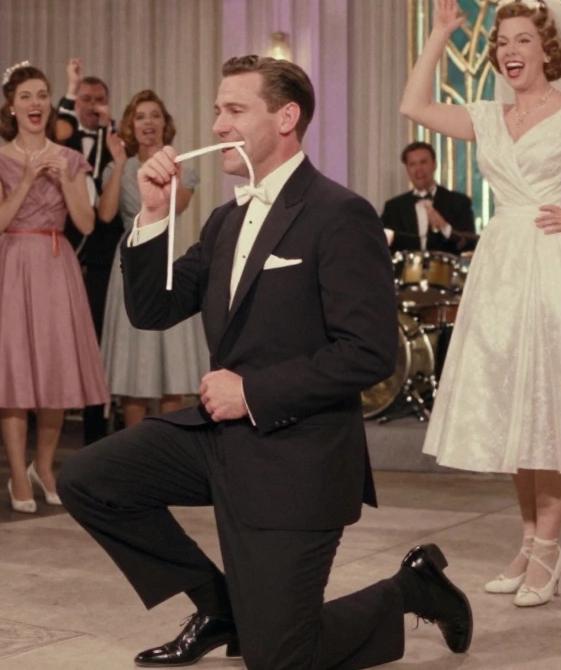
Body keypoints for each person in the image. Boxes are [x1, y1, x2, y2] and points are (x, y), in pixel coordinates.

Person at [59, 55, 472, 670]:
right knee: (87, 478)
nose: (218, 124)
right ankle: (222, 608)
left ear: (286, 117)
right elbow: (152, 308)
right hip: (218, 437)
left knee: (278, 659)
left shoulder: (341, 214)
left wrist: (251, 390)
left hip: (297, 456)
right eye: (217, 110)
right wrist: (151, 214)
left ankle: (411, 589)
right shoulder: (225, 220)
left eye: (234, 110)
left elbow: (370, 352)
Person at [405, 0, 561, 607]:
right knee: (518, 409)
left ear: (547, 50)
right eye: (501, 41)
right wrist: (441, 32)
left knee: (552, 408)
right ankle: (527, 542)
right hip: (500, 270)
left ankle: (548, 548)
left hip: (553, 268)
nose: (509, 51)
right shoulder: (488, 116)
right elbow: (411, 104)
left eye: (522, 40)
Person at [0, 63, 108, 513]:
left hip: (56, 264)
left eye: (42, 95)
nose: (36, 103)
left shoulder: (72, 159)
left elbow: (85, 223)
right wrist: (25, 181)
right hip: (13, 263)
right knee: (16, 373)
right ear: (12, 106)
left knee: (55, 372)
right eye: (26, 96)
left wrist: (62, 176)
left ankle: (43, 466)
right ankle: (14, 474)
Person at [97, 89, 208, 428]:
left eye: (155, 116)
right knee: (135, 362)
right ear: (132, 125)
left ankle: (168, 446)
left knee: (171, 362)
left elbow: (178, 207)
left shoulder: (180, 168)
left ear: (165, 124)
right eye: (141, 116)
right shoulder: (121, 168)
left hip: (169, 251)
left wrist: (169, 176)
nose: (149, 122)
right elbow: (105, 214)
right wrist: (117, 166)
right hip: (132, 257)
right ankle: (135, 447)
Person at [55, 58, 121, 445]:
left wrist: (112, 132)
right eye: (85, 99)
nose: (92, 105)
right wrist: (69, 85)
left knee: (96, 341)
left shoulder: (115, 144)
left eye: (99, 99)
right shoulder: (63, 138)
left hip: (101, 258)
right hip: (64, 249)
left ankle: (97, 429)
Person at [381, 141, 477, 253]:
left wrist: (445, 227)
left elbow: (471, 243)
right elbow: (381, 244)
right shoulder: (393, 207)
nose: (418, 169)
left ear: (434, 164)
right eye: (412, 164)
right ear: (407, 169)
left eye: (423, 162)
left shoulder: (459, 202)